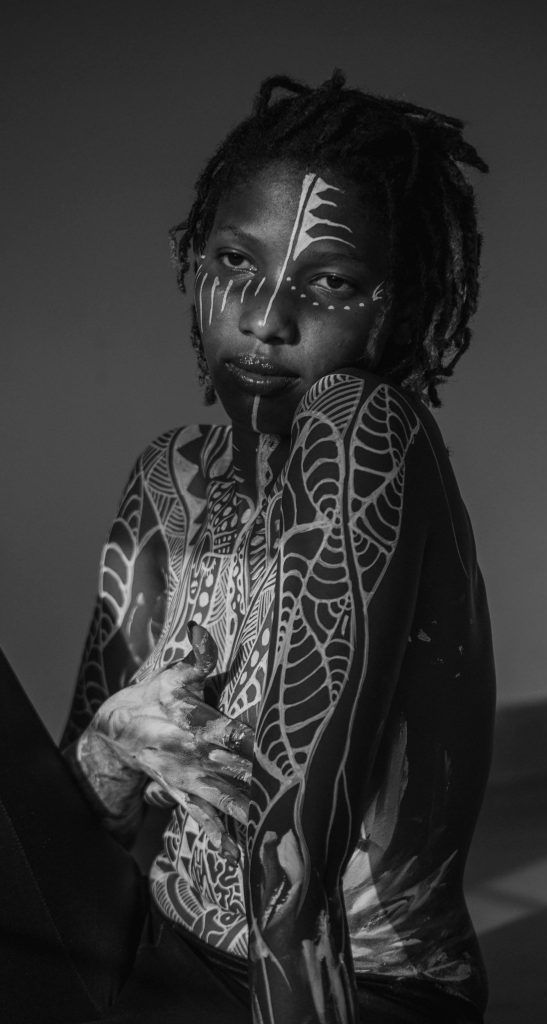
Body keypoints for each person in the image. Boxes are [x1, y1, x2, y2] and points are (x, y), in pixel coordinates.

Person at [0, 71, 496, 1023]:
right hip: (149, 954)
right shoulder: (165, 477)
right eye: (238, 263)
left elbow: (297, 895)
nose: (267, 319)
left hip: (349, 993)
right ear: (196, 265)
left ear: (397, 306)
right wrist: (111, 747)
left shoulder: (364, 432)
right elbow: (78, 828)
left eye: (331, 284)